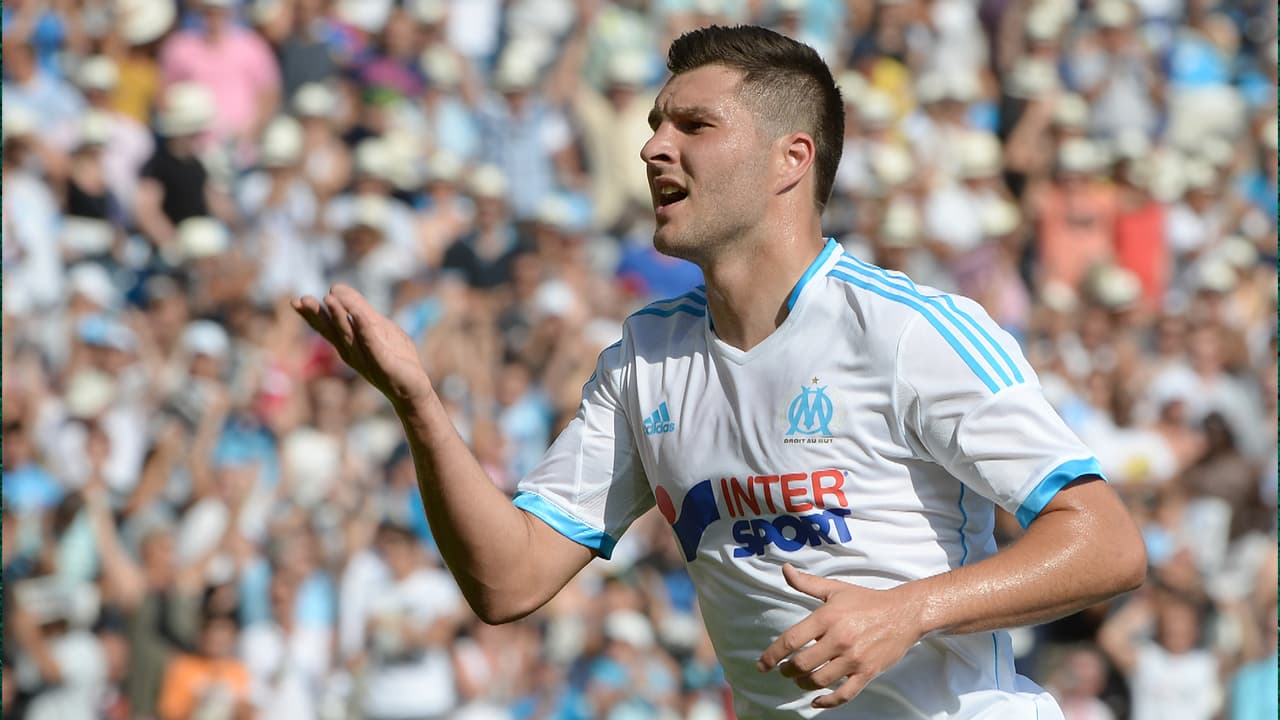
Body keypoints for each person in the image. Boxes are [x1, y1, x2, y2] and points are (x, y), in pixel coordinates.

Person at [294, 25, 1146, 719]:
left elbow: (1106, 542)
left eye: (694, 126)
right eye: (656, 125)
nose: (652, 148)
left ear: (791, 159)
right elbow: (508, 578)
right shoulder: (644, 359)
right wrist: (417, 402)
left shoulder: (907, 330)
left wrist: (909, 609)